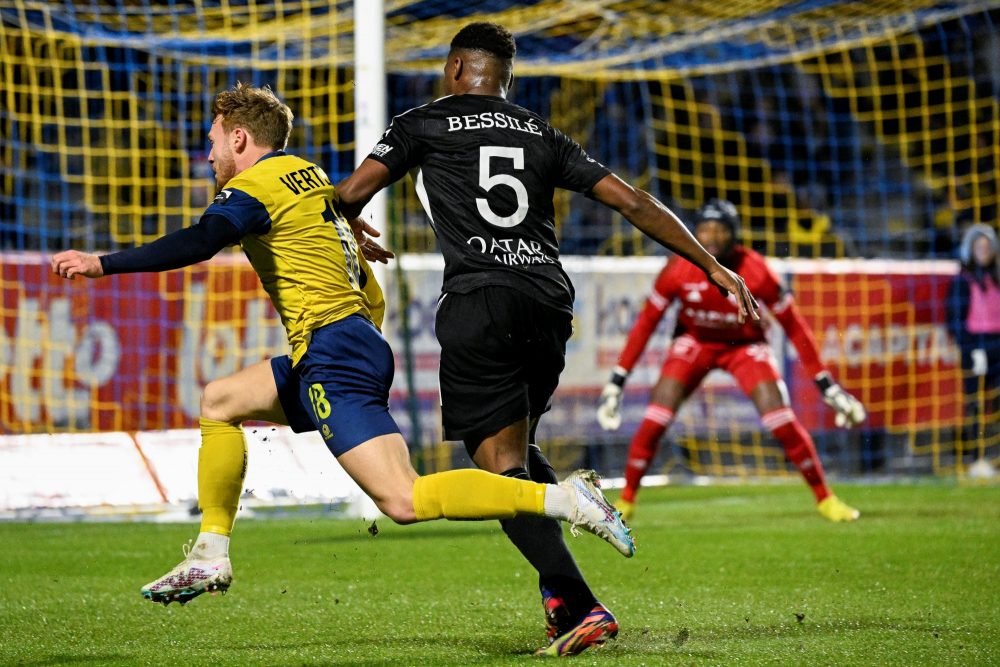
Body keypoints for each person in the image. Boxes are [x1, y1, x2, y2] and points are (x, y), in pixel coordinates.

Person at [50, 82, 636, 609]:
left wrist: (102, 264)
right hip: (345, 342)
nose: (207, 156)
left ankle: (564, 501)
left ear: (239, 137)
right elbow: (339, 229)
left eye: (212, 142)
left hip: (334, 350)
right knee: (221, 400)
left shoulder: (253, 187)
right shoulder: (307, 177)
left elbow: (205, 240)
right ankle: (210, 549)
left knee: (404, 501)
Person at [334, 23, 758, 657]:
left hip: (482, 298)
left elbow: (350, 193)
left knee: (497, 471)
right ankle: (563, 599)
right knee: (518, 452)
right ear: (508, 77)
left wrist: (353, 224)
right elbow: (635, 202)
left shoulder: (421, 123)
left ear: (455, 68)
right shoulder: (541, 131)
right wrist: (713, 264)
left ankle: (581, 592)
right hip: (549, 302)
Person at [596, 198, 866, 523]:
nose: (711, 236)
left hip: (744, 346)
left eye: (720, 229)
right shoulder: (679, 267)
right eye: (704, 229)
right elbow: (645, 325)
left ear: (733, 234)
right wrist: (617, 381)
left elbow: (795, 327)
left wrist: (826, 385)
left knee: (781, 420)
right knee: (656, 417)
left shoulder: (755, 270)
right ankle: (627, 501)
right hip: (695, 343)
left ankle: (826, 499)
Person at [947, 223, 1000, 470]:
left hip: (998, 345)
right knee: (976, 405)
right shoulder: (962, 279)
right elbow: (954, 318)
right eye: (979, 246)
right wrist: (969, 347)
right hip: (975, 347)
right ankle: (977, 459)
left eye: (987, 247)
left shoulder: (997, 277)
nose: (984, 251)